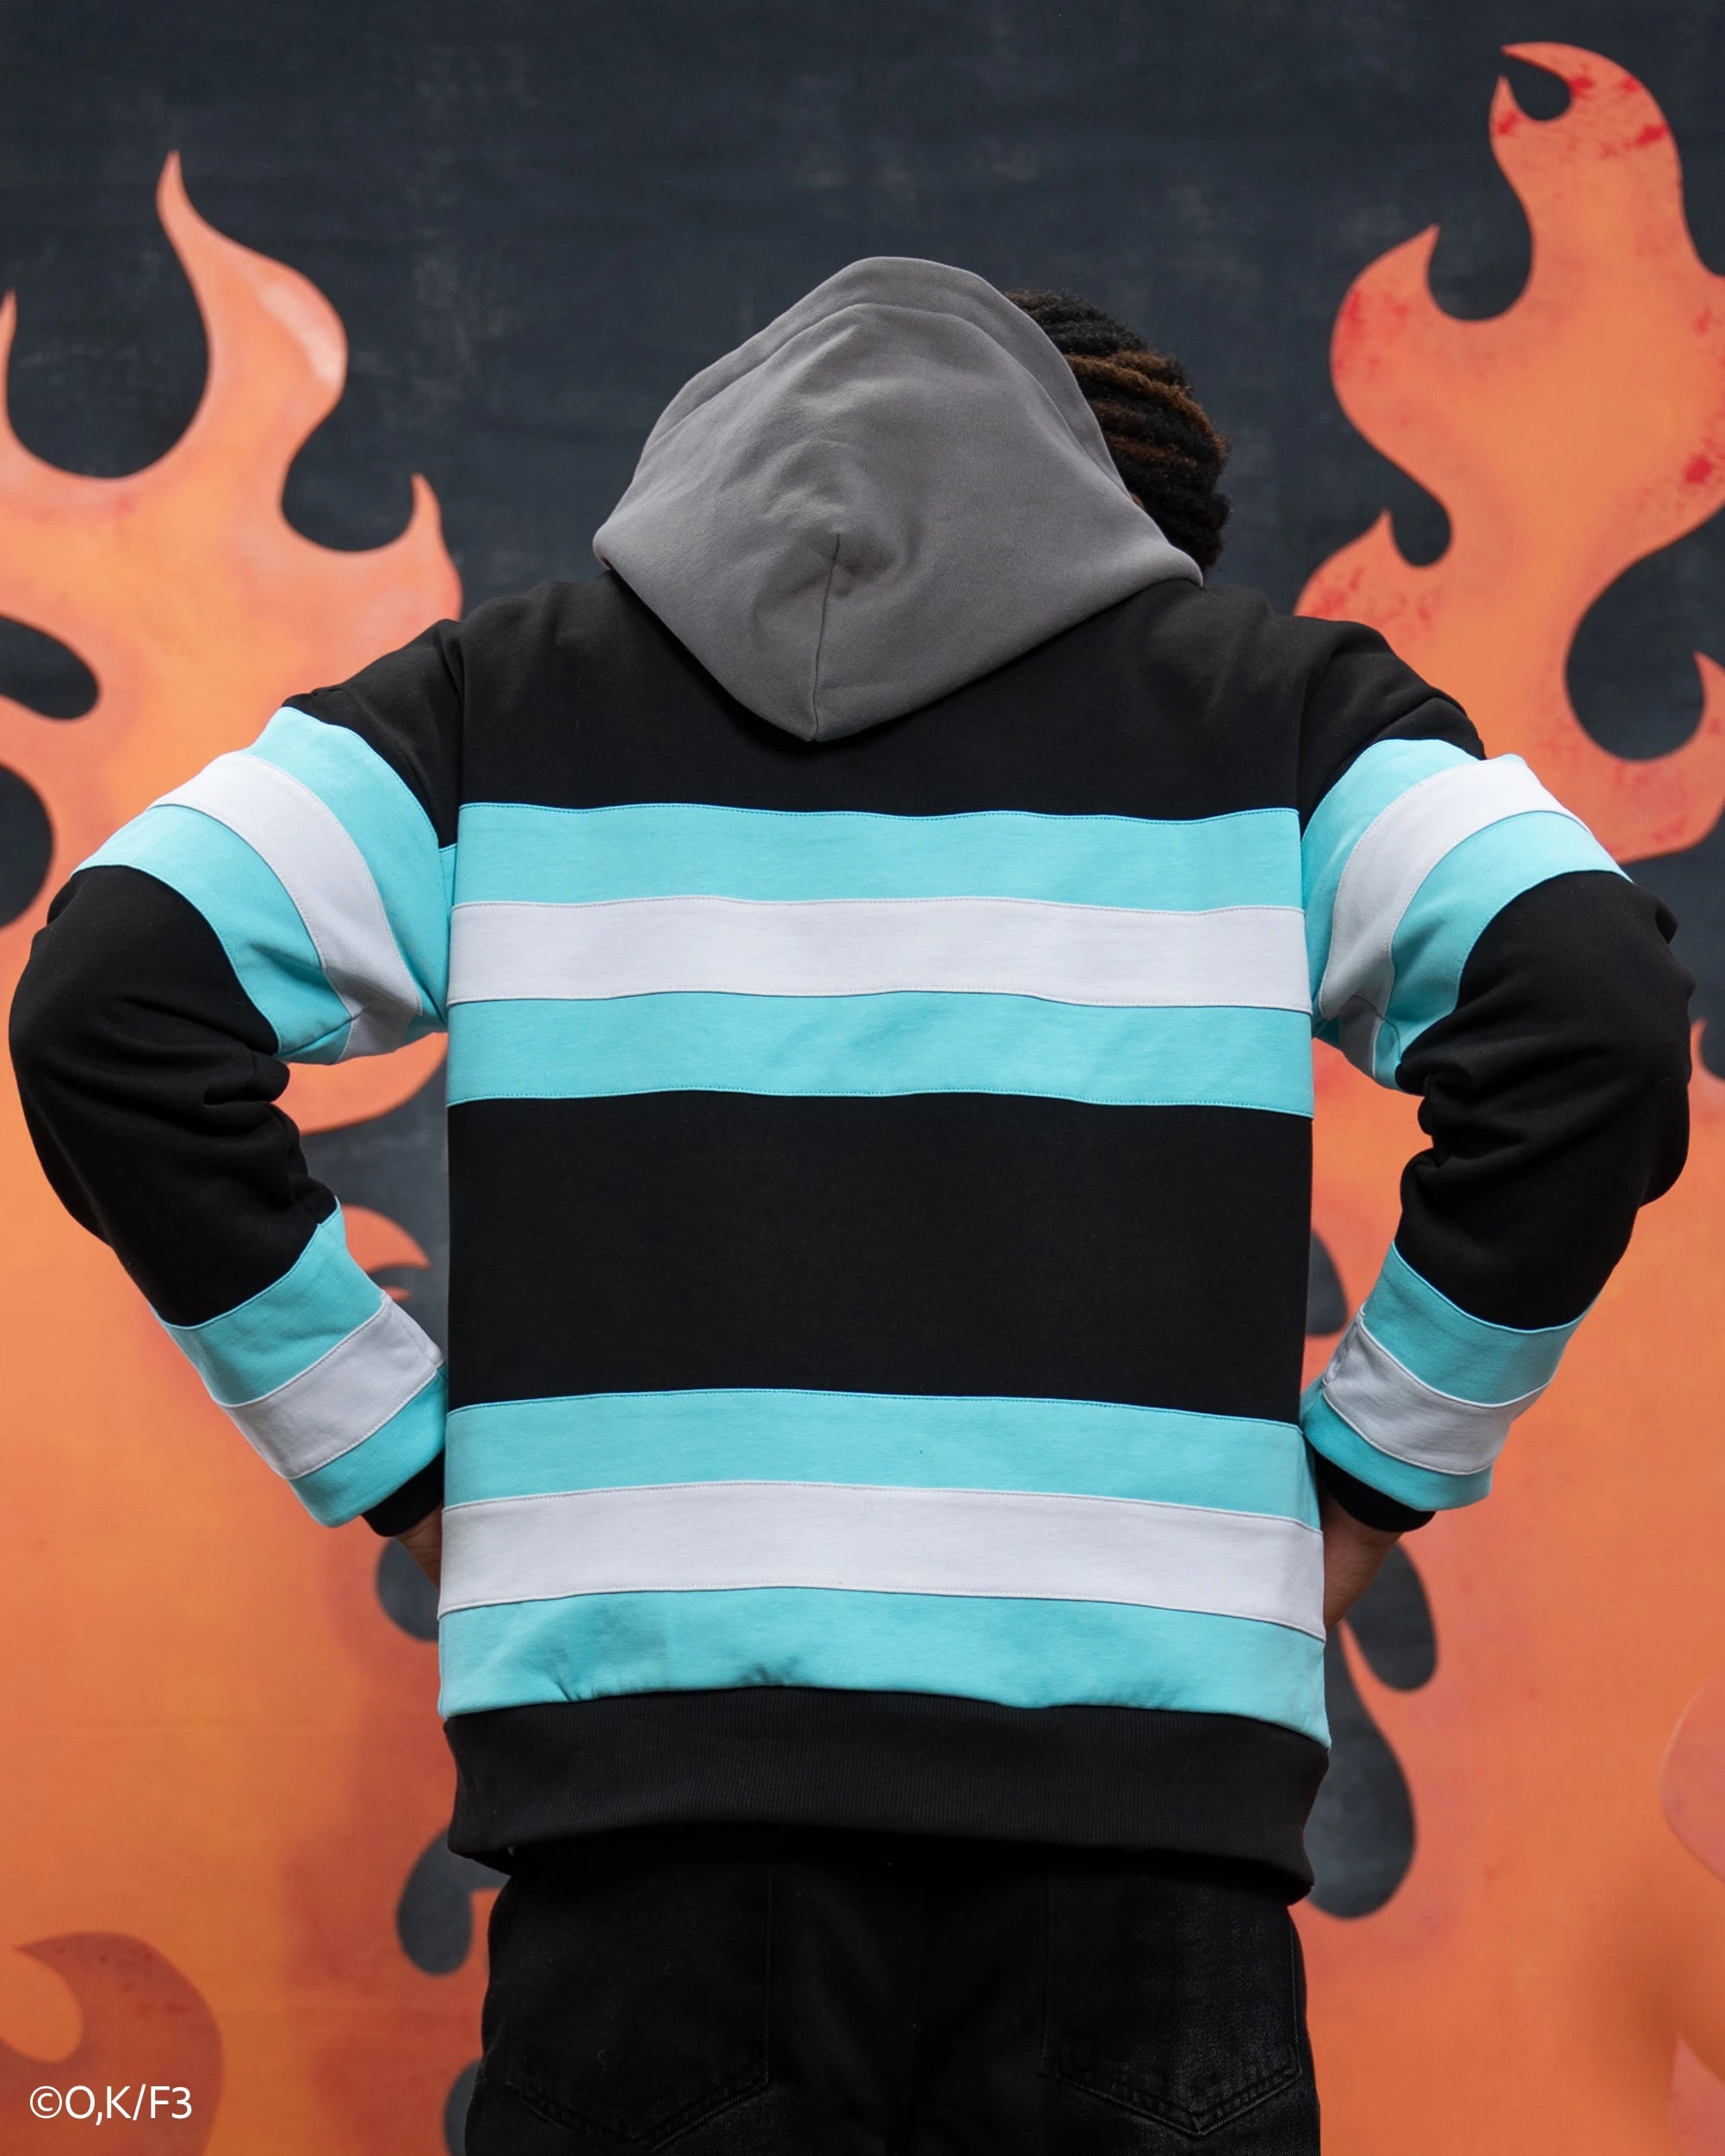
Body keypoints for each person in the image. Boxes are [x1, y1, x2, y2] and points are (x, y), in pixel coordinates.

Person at [9, 260, 1691, 2153]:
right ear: (1121, 524)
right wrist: (1379, 1474)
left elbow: (112, 995)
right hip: (1135, 1869)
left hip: (649, 1870)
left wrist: (400, 1464)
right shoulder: (1279, 720)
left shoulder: (496, 710)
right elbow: (1597, 1010)